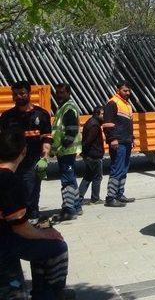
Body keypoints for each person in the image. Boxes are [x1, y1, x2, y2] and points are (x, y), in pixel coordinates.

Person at [0, 128, 71, 299]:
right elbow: (21, 229)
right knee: (57, 246)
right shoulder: (9, 181)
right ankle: (50, 293)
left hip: (6, 237)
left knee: (41, 244)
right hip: (5, 244)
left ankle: (44, 293)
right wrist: (45, 233)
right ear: (23, 151)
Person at [0, 81, 52, 224]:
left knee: (31, 191)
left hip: (33, 160)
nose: (18, 96)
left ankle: (32, 219)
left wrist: (45, 158)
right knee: (12, 191)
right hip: (12, 161)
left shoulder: (41, 114)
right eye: (15, 94)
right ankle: (17, 221)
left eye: (22, 93)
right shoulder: (6, 117)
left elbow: (47, 138)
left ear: (29, 93)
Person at [51, 84, 82, 222]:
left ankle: (69, 210)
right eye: (57, 92)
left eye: (62, 92)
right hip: (67, 150)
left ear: (68, 92)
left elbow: (71, 131)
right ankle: (76, 206)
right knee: (71, 178)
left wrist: (61, 147)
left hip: (67, 150)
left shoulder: (68, 108)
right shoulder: (64, 107)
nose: (59, 95)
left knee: (67, 180)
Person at [103, 81, 135, 208]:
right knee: (117, 169)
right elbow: (107, 124)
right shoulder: (113, 103)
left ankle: (119, 194)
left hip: (126, 141)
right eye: (124, 90)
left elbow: (128, 125)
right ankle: (110, 197)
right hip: (118, 142)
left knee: (124, 169)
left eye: (128, 91)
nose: (127, 93)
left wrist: (132, 138)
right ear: (118, 90)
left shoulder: (127, 105)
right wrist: (112, 139)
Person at [78, 107, 104, 205]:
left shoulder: (91, 122)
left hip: (90, 154)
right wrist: (84, 152)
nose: (104, 116)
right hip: (94, 155)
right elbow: (88, 141)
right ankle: (95, 198)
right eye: (103, 114)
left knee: (88, 177)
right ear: (97, 114)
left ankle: (79, 197)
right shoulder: (94, 125)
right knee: (97, 177)